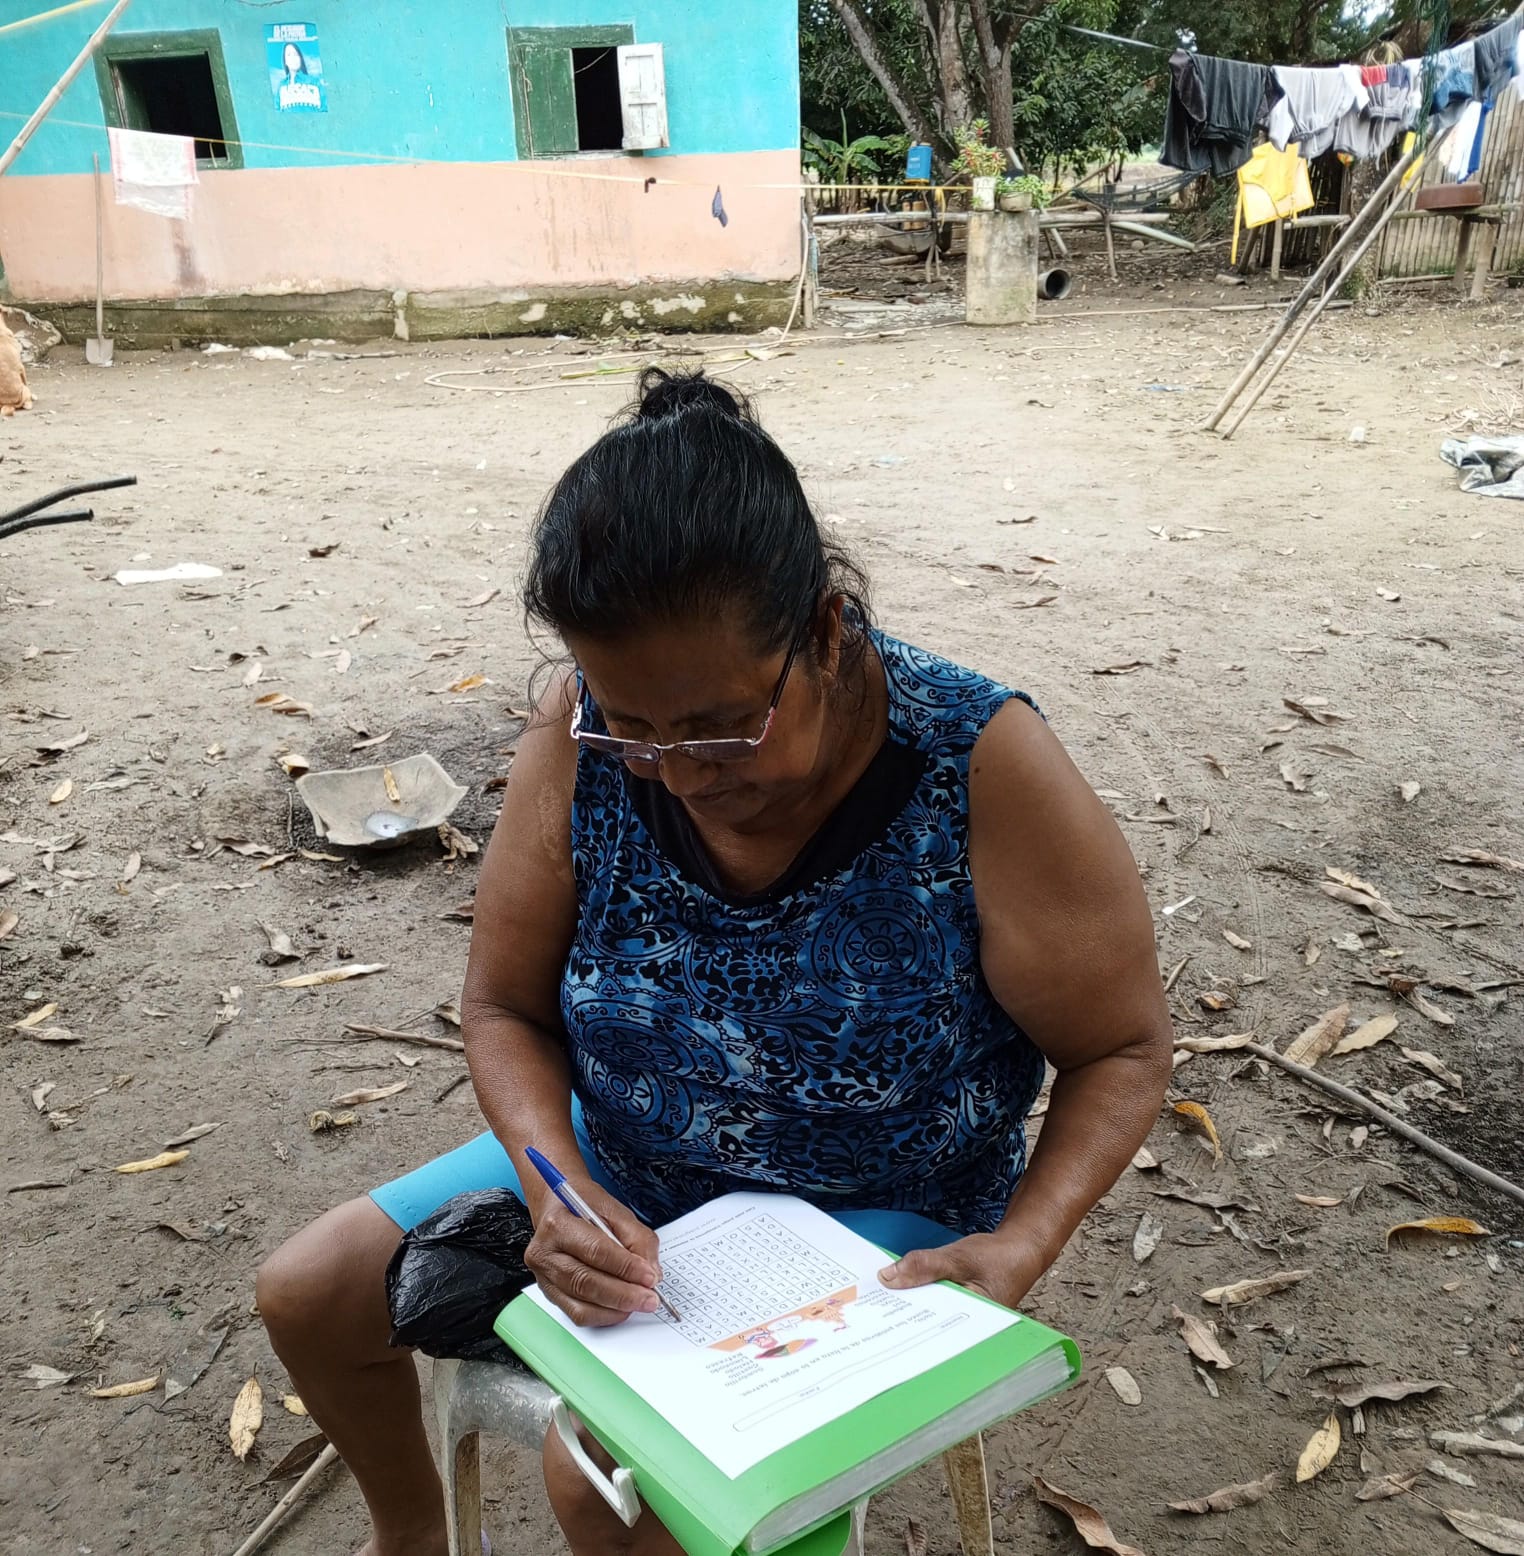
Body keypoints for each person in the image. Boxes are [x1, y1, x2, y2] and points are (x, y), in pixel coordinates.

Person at [257, 370, 1174, 1556]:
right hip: (623, 1165)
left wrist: (1025, 1241)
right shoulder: (579, 733)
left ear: (825, 634)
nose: (680, 772)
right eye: (632, 726)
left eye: (720, 726)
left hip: (872, 1211)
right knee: (310, 1293)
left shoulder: (977, 761)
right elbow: (501, 1007)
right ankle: (411, 1541)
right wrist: (557, 1184)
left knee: (607, 1482)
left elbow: (1121, 1047)